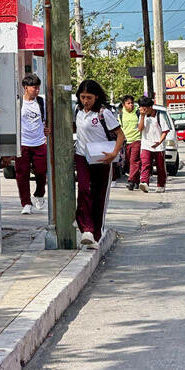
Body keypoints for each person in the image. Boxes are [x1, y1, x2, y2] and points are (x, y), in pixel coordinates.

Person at [74, 79, 124, 248]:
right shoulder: (77, 111)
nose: (85, 101)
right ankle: (86, 228)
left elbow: (120, 135)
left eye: (89, 97)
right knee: (83, 189)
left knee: (98, 195)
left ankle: (95, 235)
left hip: (102, 159)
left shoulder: (104, 113)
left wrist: (114, 153)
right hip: (82, 155)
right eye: (82, 97)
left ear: (96, 97)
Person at [15, 74, 49, 214]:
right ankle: (26, 203)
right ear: (26, 88)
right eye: (34, 87)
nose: (37, 90)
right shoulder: (18, 103)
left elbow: (48, 120)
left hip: (40, 142)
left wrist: (48, 128)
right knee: (22, 174)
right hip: (23, 143)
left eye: (38, 87)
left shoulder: (41, 102)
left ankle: (40, 194)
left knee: (41, 172)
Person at [137, 96, 170, 194]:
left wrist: (159, 142)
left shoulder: (159, 116)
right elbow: (140, 128)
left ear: (150, 107)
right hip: (146, 144)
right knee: (145, 164)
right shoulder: (142, 116)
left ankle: (161, 185)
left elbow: (165, 131)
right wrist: (142, 116)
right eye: (141, 107)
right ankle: (144, 182)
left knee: (160, 166)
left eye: (145, 107)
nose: (143, 110)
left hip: (158, 146)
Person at [118, 95, 141, 190]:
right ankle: (137, 180)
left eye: (132, 103)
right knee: (129, 162)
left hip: (137, 139)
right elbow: (120, 128)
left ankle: (130, 181)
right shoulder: (121, 115)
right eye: (128, 103)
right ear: (124, 105)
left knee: (134, 161)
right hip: (126, 141)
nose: (131, 105)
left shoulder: (138, 112)